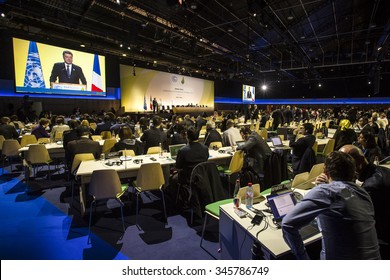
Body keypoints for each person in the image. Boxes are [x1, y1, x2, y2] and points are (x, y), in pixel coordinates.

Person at [282, 151, 380, 260]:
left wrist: (302, 258)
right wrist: (325, 187)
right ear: (353, 172)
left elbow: (287, 224)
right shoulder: (363, 193)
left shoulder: (326, 192)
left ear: (325, 170)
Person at [316, 144, 390, 259]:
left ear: (358, 161)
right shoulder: (381, 170)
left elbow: (352, 204)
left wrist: (331, 186)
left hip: (381, 241)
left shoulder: (371, 186)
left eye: (344, 164)